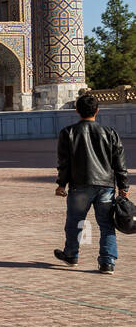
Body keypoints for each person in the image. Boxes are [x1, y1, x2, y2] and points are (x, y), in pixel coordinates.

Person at [54, 92, 129, 274]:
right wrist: (123, 186)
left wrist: (61, 184)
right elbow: (119, 162)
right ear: (97, 110)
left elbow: (64, 163)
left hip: (80, 185)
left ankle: (71, 255)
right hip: (105, 186)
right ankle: (107, 262)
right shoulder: (109, 132)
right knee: (106, 224)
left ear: (77, 111)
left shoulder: (68, 132)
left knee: (75, 221)